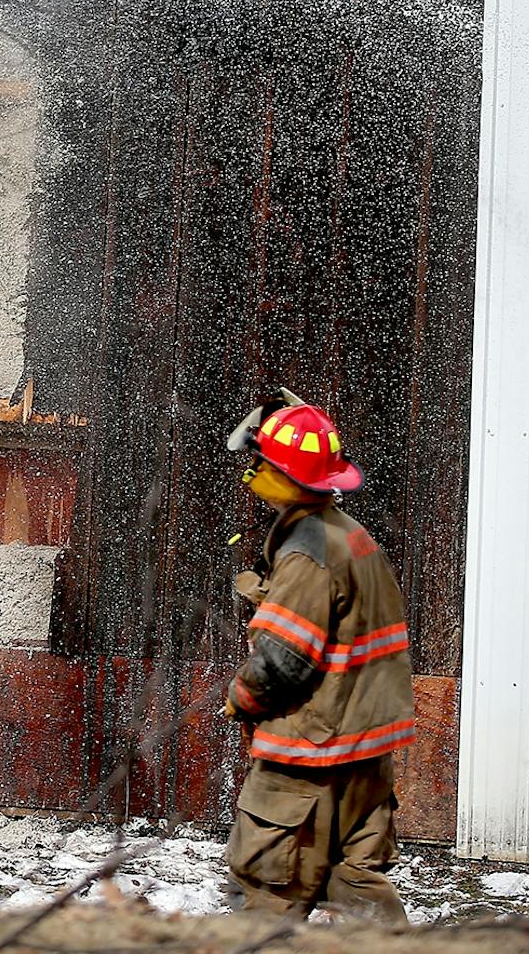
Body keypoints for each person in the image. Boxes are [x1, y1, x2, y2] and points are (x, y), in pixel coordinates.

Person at [221, 390, 414, 923]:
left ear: (283, 476)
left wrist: (239, 697)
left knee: (266, 891)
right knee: (355, 888)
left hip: (311, 756)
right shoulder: (349, 536)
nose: (252, 473)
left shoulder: (307, 552)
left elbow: (282, 663)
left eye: (260, 464)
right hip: (362, 755)